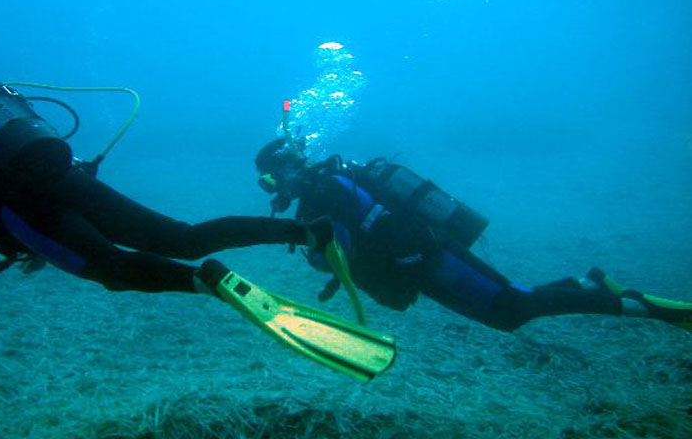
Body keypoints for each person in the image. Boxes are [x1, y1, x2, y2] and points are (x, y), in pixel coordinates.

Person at [0, 75, 396, 381]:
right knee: (182, 237)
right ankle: (306, 232)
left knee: (110, 268)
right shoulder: (17, 135)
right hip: (66, 179)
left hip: (23, 211)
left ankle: (202, 282)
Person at [254, 137, 692, 332]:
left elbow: (343, 248)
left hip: (432, 258)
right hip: (420, 267)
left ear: (283, 170)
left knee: (514, 305)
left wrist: (310, 244)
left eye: (271, 180)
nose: (274, 189)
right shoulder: (325, 187)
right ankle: (586, 284)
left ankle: (641, 306)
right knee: (506, 313)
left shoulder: (325, 188)